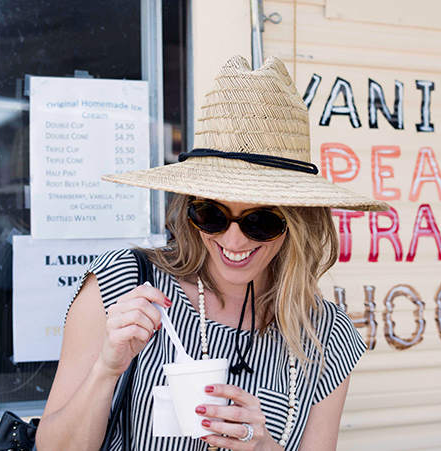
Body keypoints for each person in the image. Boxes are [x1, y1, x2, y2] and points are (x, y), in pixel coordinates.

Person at [35, 55, 389, 451]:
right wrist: (107, 369)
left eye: (260, 222)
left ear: (298, 223)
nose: (234, 242)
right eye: (212, 214)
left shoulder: (325, 334)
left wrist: (264, 447)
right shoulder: (124, 284)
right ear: (190, 210)